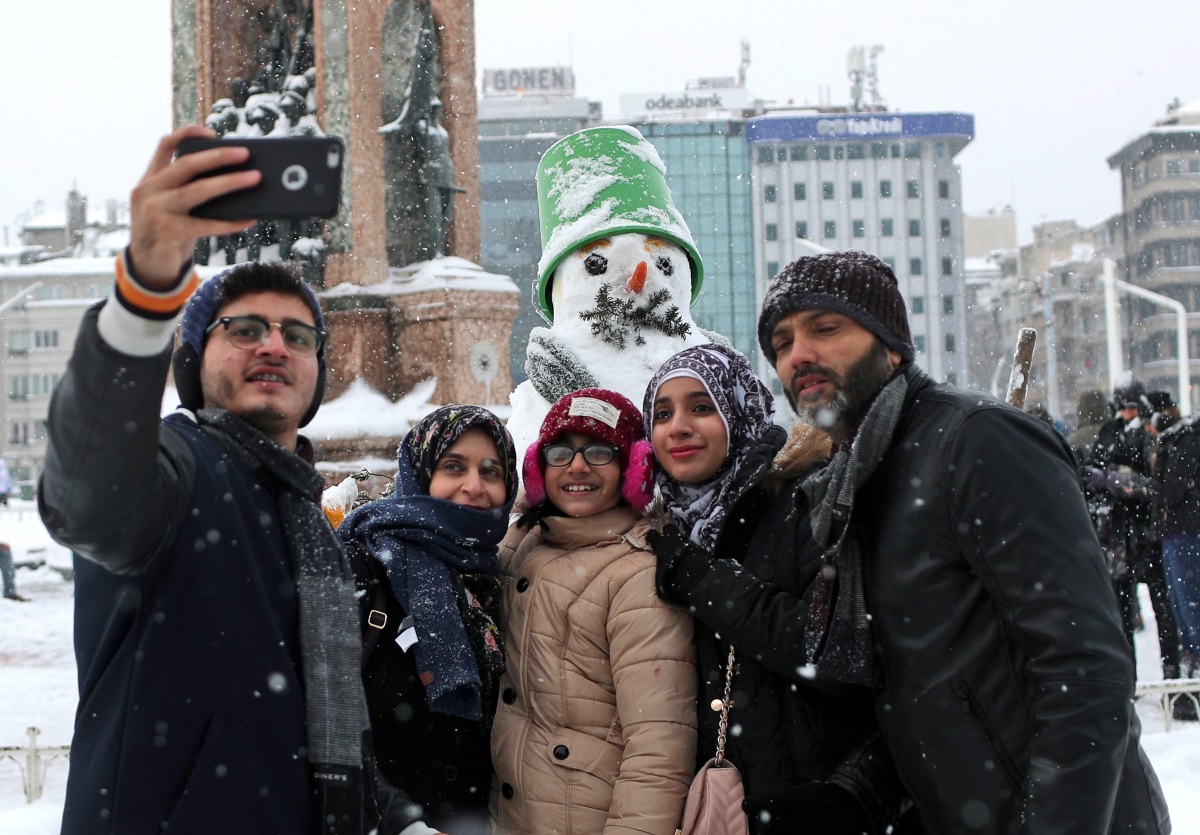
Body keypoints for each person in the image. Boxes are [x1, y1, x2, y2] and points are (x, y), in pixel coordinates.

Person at [37, 125, 412, 834]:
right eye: (243, 329)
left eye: (298, 336)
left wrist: (398, 821)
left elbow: (322, 726)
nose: (274, 343)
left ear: (316, 373)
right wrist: (145, 290)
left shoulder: (306, 516)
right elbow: (87, 495)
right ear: (193, 360)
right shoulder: (178, 468)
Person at [755, 251, 1169, 834]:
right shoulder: (853, 484)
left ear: (891, 344)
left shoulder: (979, 441)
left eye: (826, 328)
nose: (798, 355)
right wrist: (856, 793)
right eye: (780, 342)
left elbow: (1086, 671)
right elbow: (922, 686)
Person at [643, 343, 905, 835]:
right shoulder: (657, 532)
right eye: (661, 413)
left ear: (740, 413)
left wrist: (705, 580)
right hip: (712, 810)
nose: (677, 426)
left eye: (702, 407)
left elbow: (834, 652)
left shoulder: (806, 502)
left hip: (812, 804)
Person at [489, 388, 697, 835]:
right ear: (538, 468)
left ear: (633, 468)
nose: (577, 466)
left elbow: (658, 748)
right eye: (560, 451)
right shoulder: (522, 542)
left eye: (600, 452)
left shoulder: (637, 576)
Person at [338, 405, 518, 833]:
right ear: (419, 472)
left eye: (491, 471)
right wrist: (399, 820)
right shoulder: (363, 564)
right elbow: (319, 718)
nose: (474, 486)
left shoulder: (496, 577)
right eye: (454, 466)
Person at [1087, 377, 1181, 681]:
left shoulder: (1150, 433)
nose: (1128, 414)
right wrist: (1106, 481)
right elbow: (1092, 477)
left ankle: (1172, 675)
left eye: (1132, 408)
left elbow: (1159, 482)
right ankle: (1128, 680)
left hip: (1148, 533)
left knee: (1163, 611)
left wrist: (1128, 483)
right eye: (1123, 408)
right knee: (1122, 618)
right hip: (1118, 536)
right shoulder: (1109, 432)